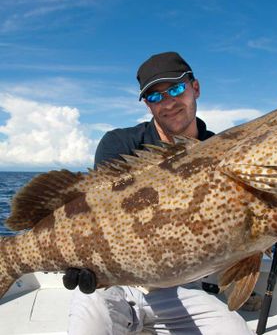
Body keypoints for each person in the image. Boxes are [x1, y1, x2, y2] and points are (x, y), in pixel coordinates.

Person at [65, 52, 254, 335]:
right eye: (154, 97)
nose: (167, 103)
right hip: (112, 283)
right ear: (146, 104)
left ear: (196, 88)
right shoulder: (118, 143)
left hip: (179, 287)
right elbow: (98, 217)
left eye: (176, 89)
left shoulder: (221, 151)